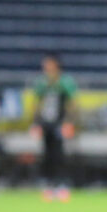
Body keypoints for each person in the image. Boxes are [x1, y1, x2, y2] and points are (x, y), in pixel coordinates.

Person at [32, 53, 77, 202]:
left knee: (60, 154)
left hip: (60, 123)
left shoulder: (64, 82)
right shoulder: (42, 83)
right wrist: (36, 123)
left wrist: (69, 122)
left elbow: (71, 103)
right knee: (47, 155)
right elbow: (37, 104)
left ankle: (62, 185)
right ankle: (49, 185)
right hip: (46, 123)